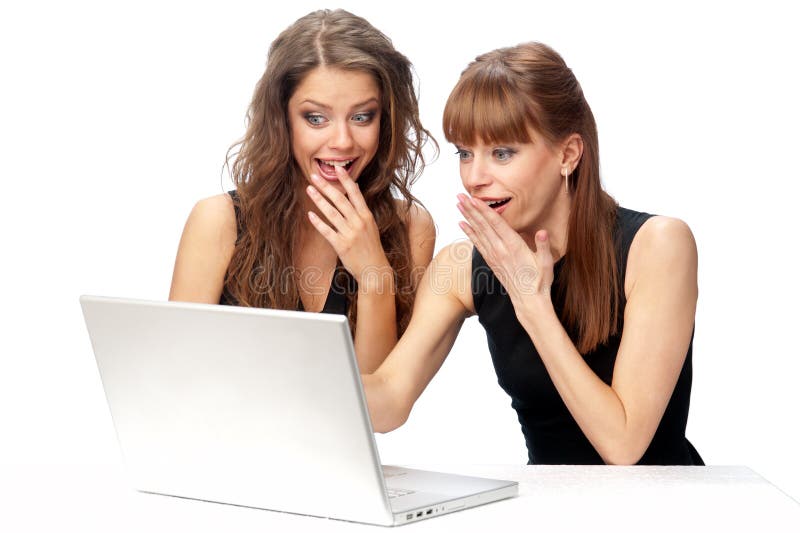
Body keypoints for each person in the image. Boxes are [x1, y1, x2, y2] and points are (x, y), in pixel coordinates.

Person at [363, 42, 703, 465]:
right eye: (465, 153)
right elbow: (388, 404)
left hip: (662, 512)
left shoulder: (658, 245)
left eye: (502, 153)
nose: (475, 177)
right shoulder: (460, 267)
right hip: (547, 510)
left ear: (568, 154)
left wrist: (534, 305)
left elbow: (624, 445)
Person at [169, 9, 436, 374]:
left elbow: (378, 409)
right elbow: (175, 378)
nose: (342, 141)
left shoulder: (410, 228)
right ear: (282, 119)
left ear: (384, 119)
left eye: (362, 117)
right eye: (316, 118)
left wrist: (375, 277)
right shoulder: (219, 222)